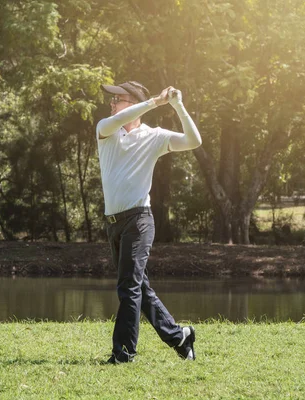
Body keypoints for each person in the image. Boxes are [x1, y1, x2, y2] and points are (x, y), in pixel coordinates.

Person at [96, 81, 202, 364]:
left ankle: (124, 354)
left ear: (134, 104)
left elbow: (194, 141)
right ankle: (179, 336)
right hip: (113, 223)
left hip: (139, 220)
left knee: (128, 287)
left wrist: (177, 105)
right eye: (113, 99)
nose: (112, 103)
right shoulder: (106, 130)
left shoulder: (154, 137)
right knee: (139, 288)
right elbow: (119, 119)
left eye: (118, 98)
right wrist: (156, 101)